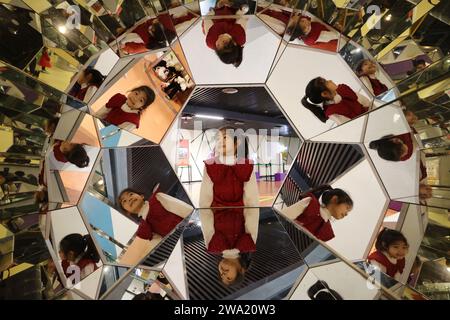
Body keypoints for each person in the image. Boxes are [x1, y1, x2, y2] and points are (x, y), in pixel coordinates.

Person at [199, 126, 259, 286]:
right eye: (228, 276)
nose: (223, 273)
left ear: (237, 142)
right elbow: (204, 199)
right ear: (241, 270)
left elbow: (252, 200)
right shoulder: (211, 166)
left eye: (221, 275)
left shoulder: (212, 246)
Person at [118, 185, 193, 241]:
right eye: (124, 201)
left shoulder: (157, 198)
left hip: (189, 230)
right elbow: (159, 242)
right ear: (127, 212)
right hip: (177, 244)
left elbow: (182, 208)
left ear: (141, 196)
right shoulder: (144, 228)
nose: (129, 199)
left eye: (131, 194)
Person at [280, 185, 353, 242]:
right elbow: (282, 216)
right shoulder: (310, 203)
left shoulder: (328, 232)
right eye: (347, 208)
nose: (346, 214)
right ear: (335, 199)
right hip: (281, 237)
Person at [301, 77, 371, 125]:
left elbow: (366, 102)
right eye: (326, 82)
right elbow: (352, 127)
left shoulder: (343, 89)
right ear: (325, 94)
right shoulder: (332, 112)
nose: (330, 81)